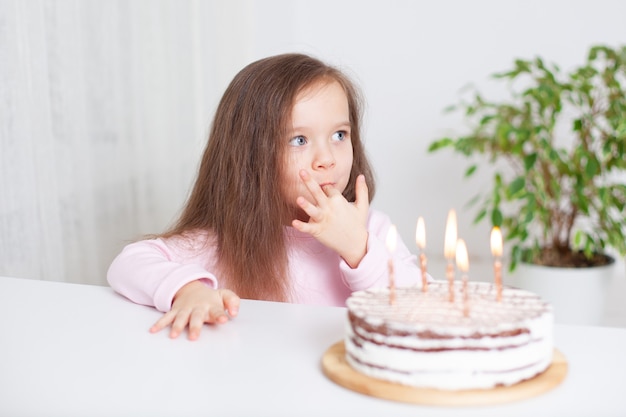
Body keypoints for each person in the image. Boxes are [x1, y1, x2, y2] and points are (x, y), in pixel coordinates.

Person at [108, 53, 424, 341]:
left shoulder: (371, 231)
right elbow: (129, 263)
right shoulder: (223, 239)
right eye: (299, 140)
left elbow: (422, 307)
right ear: (249, 157)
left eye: (339, 135)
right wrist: (187, 291)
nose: (326, 158)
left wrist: (358, 248)